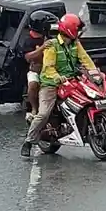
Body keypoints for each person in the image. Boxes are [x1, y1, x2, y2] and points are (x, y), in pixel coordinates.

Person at [21, 13, 97, 158]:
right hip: (50, 83)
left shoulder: (76, 44)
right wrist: (58, 77)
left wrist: (95, 73)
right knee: (43, 114)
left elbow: (85, 59)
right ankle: (28, 142)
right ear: (70, 30)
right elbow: (48, 67)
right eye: (77, 28)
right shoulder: (52, 45)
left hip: (72, 80)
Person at [21, 11, 56, 120]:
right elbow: (28, 57)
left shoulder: (49, 37)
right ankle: (34, 108)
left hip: (51, 69)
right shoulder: (28, 40)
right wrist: (42, 48)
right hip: (36, 70)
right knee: (32, 85)